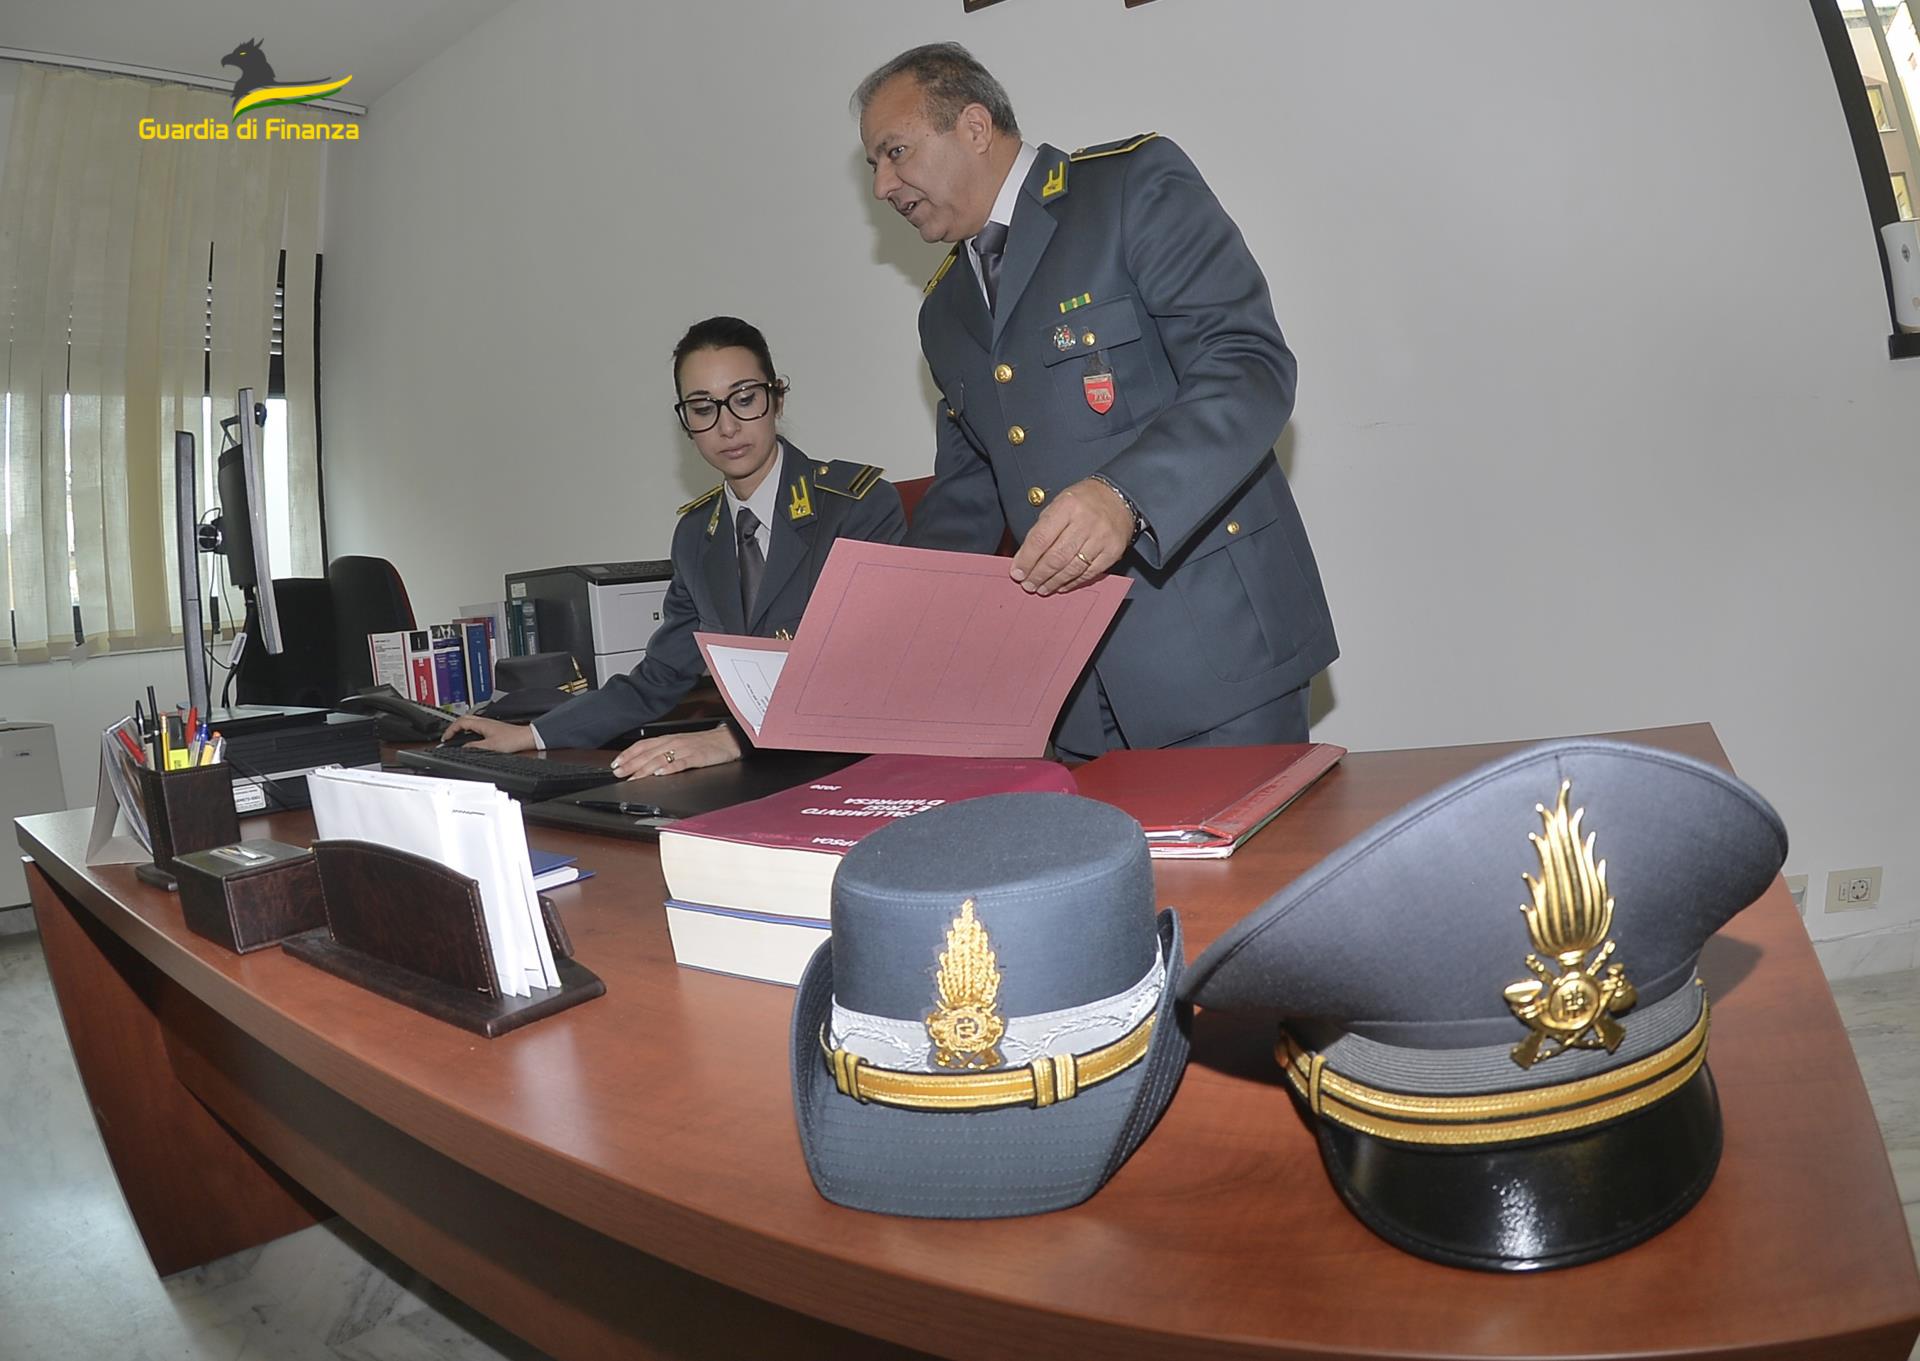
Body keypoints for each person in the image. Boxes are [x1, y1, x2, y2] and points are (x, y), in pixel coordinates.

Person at [853, 44, 1337, 759]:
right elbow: (970, 493)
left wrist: (1124, 495)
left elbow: (1247, 364)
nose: (882, 185)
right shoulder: (945, 310)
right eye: (874, 165)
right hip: (1071, 694)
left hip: (1217, 652)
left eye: (895, 152)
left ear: (975, 127)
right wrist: (879, 631)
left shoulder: (1127, 189)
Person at [444, 316, 906, 776]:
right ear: (687, 424)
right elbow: (660, 678)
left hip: (853, 762)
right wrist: (532, 734)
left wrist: (733, 739)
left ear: (777, 399)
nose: (727, 427)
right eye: (703, 409)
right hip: (764, 771)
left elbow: (865, 670)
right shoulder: (696, 537)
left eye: (745, 399)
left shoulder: (857, 508)